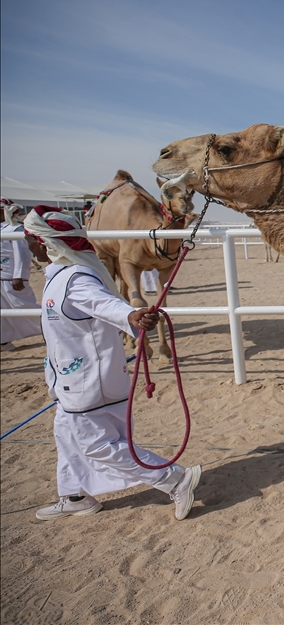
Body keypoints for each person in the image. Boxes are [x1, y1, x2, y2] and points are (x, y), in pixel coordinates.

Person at [23, 206, 202, 521]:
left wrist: (131, 316)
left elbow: (104, 304)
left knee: (98, 446)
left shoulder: (75, 279)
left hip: (88, 381)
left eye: (29, 240)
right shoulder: (62, 276)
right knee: (66, 435)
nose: (28, 246)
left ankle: (173, 478)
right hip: (73, 380)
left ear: (45, 242)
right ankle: (75, 496)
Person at [1, 198, 42, 345]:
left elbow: (22, 254)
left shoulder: (15, 229)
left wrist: (19, 276)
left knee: (22, 306)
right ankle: (4, 341)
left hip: (10, 277)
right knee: (3, 312)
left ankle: (54, 325)